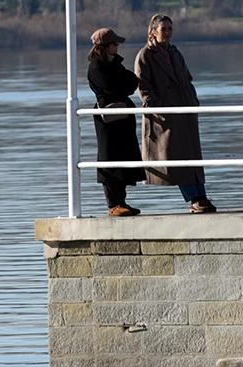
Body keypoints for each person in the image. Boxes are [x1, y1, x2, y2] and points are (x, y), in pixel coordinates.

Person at [133, 13, 217, 214]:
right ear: (154, 31)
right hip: (167, 116)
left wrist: (192, 102)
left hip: (185, 112)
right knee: (177, 158)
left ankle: (201, 195)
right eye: (164, 29)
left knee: (192, 157)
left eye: (171, 29)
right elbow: (142, 87)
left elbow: (187, 79)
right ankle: (194, 198)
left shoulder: (175, 52)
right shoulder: (145, 55)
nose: (168, 33)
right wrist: (158, 107)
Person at [87, 27, 143, 218]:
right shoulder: (96, 67)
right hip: (109, 119)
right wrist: (124, 83)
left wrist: (125, 83)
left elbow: (131, 82)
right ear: (105, 46)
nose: (117, 47)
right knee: (109, 159)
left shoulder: (114, 65)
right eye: (114, 44)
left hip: (122, 118)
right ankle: (113, 203)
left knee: (124, 158)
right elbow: (114, 85)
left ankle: (121, 201)